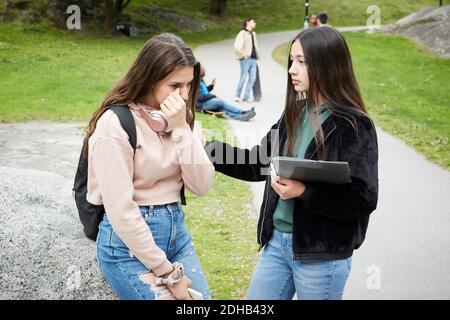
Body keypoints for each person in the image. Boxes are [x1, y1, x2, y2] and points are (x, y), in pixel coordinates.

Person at [206, 26, 378, 300]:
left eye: (301, 61)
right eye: (291, 61)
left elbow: (363, 198)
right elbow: (257, 163)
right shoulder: (295, 112)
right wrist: (206, 149)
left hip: (321, 255)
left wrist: (305, 192)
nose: (291, 70)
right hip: (276, 246)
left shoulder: (354, 125)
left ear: (327, 64)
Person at [84, 33, 214, 300]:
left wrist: (180, 128)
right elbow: (121, 211)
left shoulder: (180, 119)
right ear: (149, 79)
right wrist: (169, 274)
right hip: (127, 245)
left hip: (177, 235)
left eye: (189, 85)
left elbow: (201, 185)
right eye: (175, 85)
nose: (184, 95)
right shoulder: (115, 124)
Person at [233, 18, 261, 103]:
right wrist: (243, 54)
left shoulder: (253, 33)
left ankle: (246, 97)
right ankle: (237, 96)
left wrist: (257, 55)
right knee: (243, 77)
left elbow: (255, 46)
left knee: (253, 78)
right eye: (253, 22)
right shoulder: (242, 33)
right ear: (247, 22)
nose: (254, 23)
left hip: (253, 59)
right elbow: (237, 46)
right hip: (245, 59)